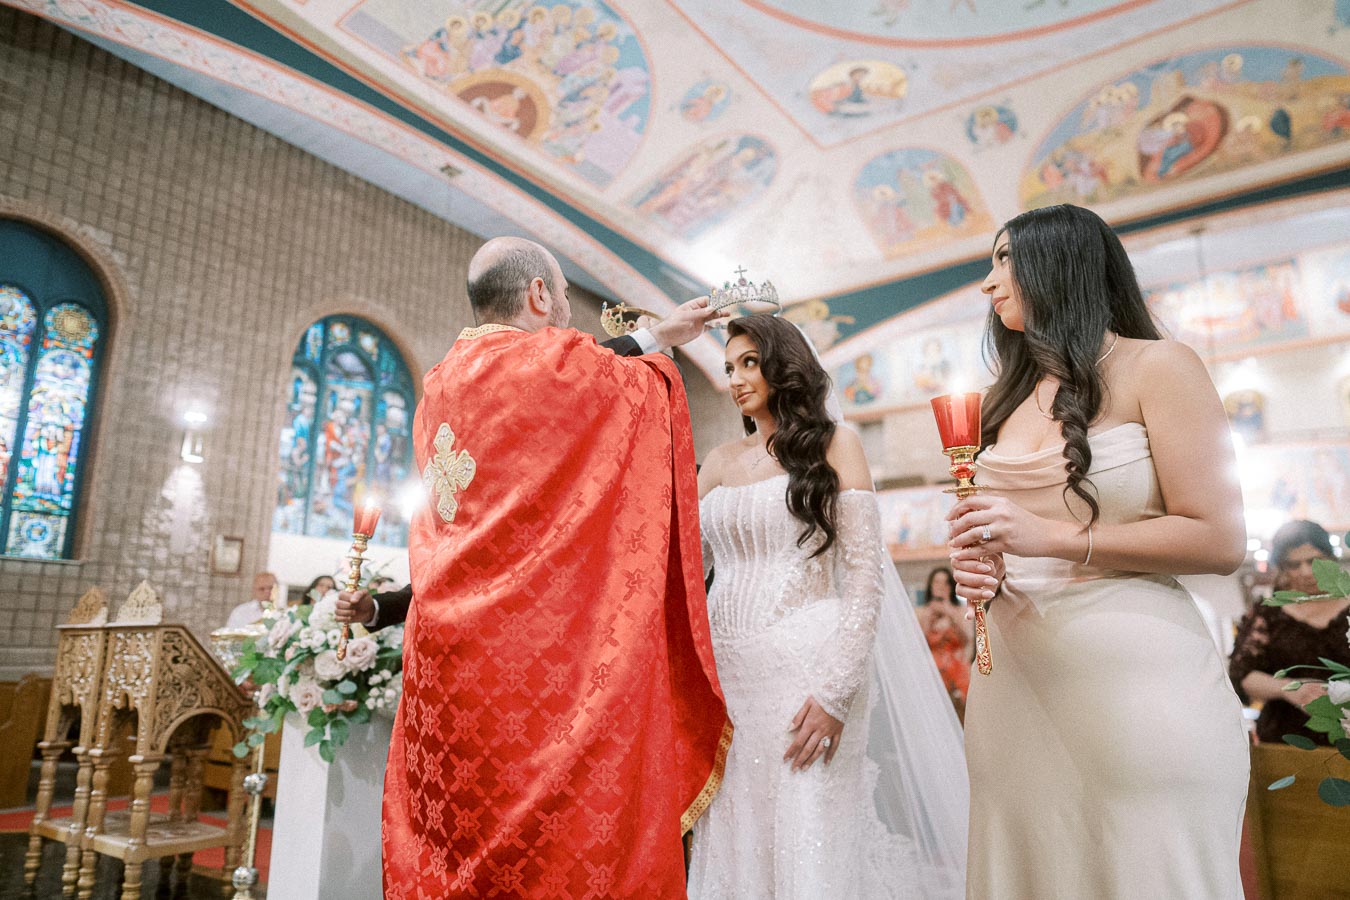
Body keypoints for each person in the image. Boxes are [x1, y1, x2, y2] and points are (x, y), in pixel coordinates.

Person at [372, 236, 731, 898]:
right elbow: (626, 381)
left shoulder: (441, 385)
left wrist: (655, 331)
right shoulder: (555, 369)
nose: (568, 316)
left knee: (455, 825)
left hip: (446, 664)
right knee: (551, 851)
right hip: (528, 664)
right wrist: (659, 344)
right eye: (566, 299)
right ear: (539, 294)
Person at [947, 204, 1249, 899]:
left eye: (1003, 260)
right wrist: (979, 565)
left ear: (1060, 261)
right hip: (1012, 691)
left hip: (1136, 690)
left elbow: (1219, 537)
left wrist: (1052, 539)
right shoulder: (1002, 400)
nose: (988, 284)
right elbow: (995, 532)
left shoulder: (1158, 366)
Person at [688, 314, 967, 898]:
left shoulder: (836, 446)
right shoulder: (716, 462)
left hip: (810, 668)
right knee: (738, 824)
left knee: (808, 826)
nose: (736, 378)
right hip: (731, 680)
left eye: (749, 362)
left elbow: (865, 576)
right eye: (728, 367)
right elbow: (680, 562)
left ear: (782, 364)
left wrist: (837, 692)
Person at [1229, 520, 1350, 744]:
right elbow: (1242, 673)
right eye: (1294, 565)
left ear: (1330, 558)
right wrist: (1289, 690)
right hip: (1285, 739)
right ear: (1283, 568)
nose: (1306, 572)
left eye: (1314, 561)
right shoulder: (1269, 612)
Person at [917, 566, 972, 717]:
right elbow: (919, 643)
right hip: (933, 670)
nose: (941, 587)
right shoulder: (923, 612)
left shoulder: (960, 611)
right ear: (930, 586)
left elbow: (967, 640)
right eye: (937, 582)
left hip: (957, 669)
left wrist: (950, 614)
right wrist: (929, 618)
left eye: (945, 583)